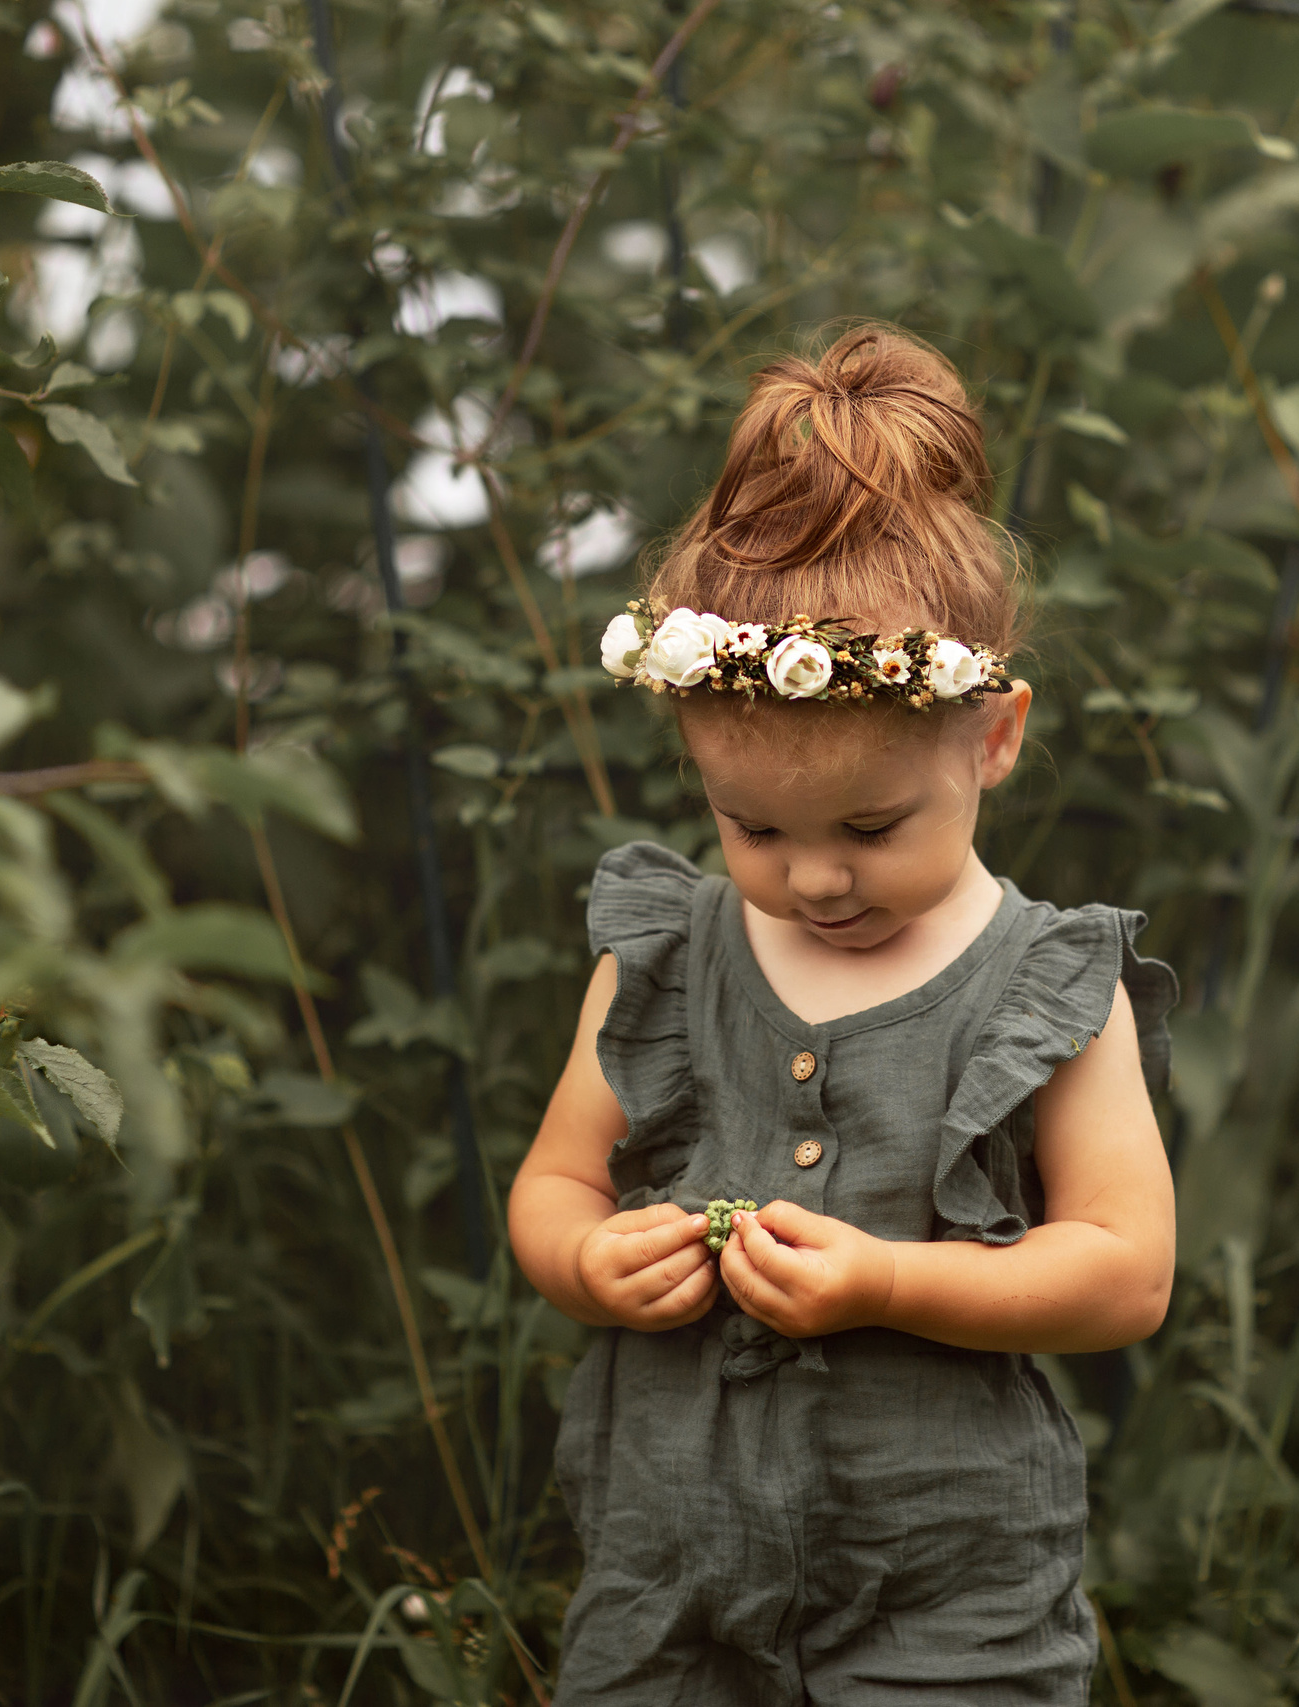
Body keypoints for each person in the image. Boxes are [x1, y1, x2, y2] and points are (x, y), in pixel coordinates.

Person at [508, 324, 1178, 1704]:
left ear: (992, 739)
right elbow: (556, 1181)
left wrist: (887, 1282)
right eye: (749, 824)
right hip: (671, 1575)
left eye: (872, 827)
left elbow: (1124, 1272)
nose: (812, 878)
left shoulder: (1047, 985)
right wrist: (586, 1260)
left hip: (946, 1595)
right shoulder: (666, 954)